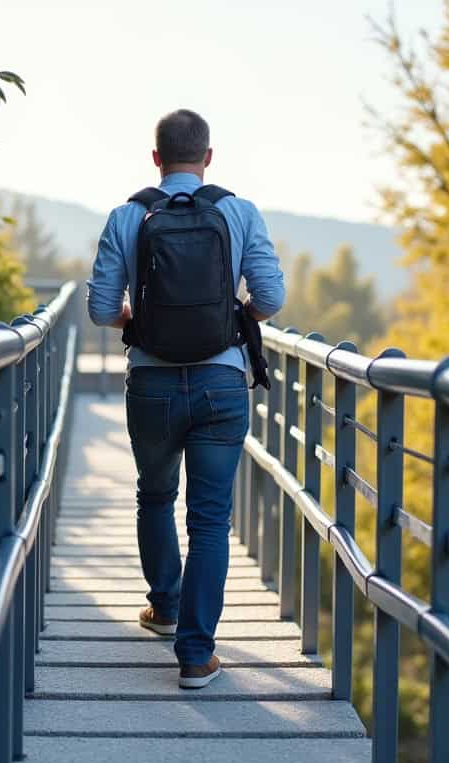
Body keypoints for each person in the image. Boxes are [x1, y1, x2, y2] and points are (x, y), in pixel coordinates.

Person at [86, 108, 285, 689]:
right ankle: (196, 655)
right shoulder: (239, 211)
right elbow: (270, 296)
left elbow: (101, 310)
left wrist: (136, 319)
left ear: (156, 159)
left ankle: (164, 607)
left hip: (150, 383)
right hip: (222, 384)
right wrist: (235, 317)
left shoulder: (129, 214)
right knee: (211, 520)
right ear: (208, 158)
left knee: (154, 493)